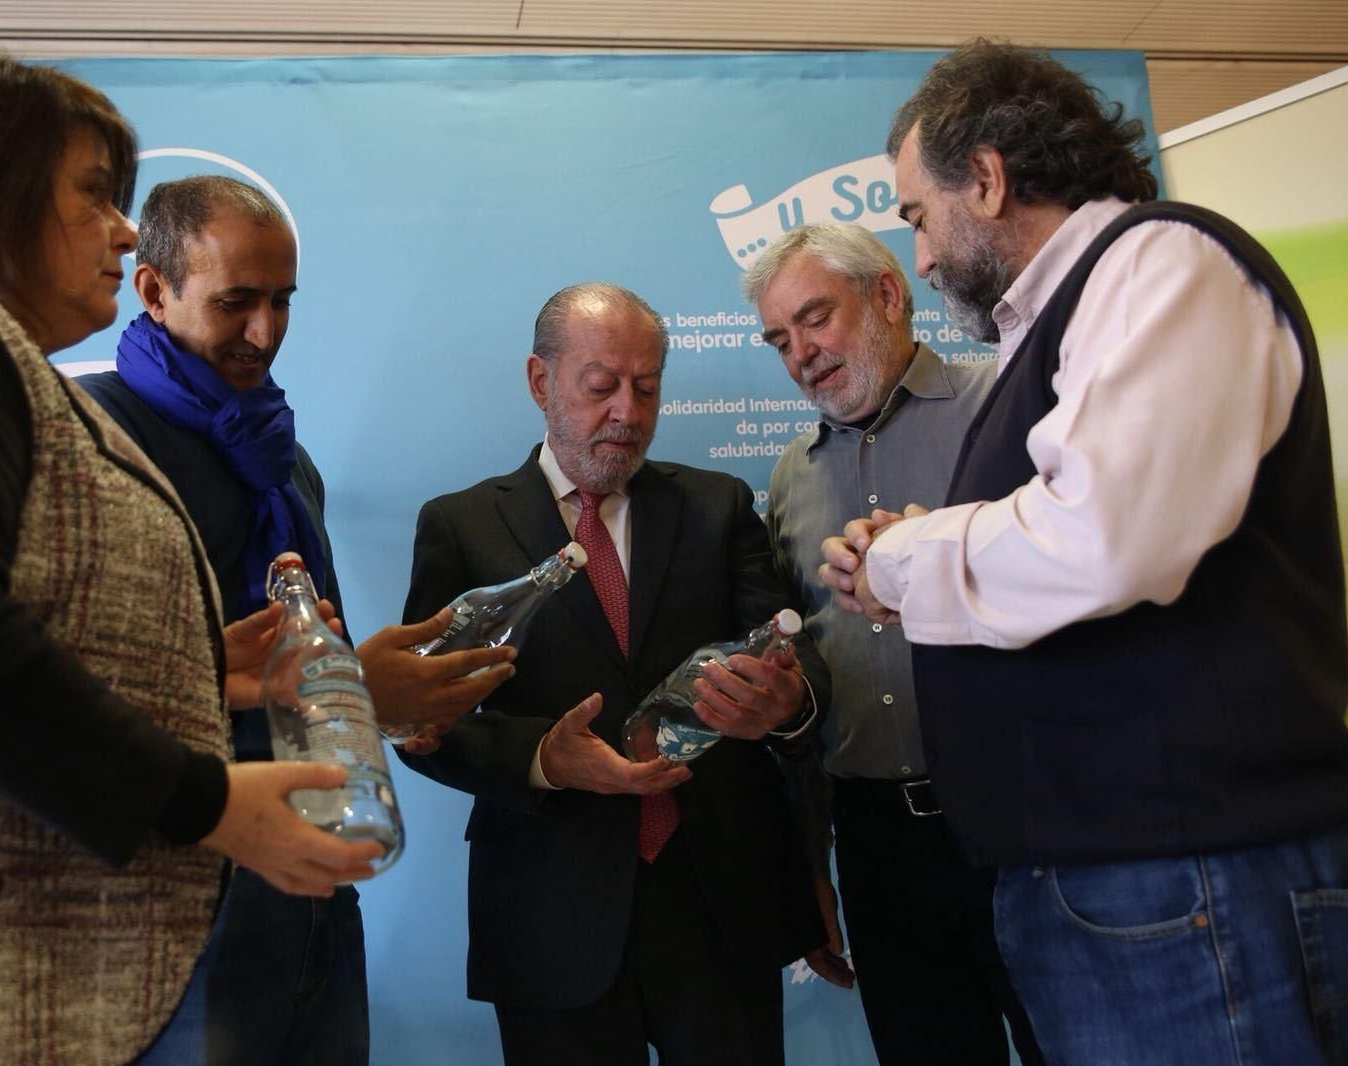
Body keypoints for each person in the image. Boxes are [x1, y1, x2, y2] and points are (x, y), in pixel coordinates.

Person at [0, 44, 382, 1063]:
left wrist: (195, 673)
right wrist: (208, 797)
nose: (124, 226)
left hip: (7, 956)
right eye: (93, 193)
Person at [819, 40, 1348, 1064]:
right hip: (1123, 883)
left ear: (986, 176)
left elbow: (1103, 535)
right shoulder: (1061, 318)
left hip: (1190, 882)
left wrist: (900, 560)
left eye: (917, 218)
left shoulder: (1163, 261)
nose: (918, 260)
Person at [77, 175, 515, 1064]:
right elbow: (59, 697)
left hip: (318, 886)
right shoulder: (89, 443)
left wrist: (383, 701)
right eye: (237, 302)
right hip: (178, 902)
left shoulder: (288, 460)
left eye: (282, 302)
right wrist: (348, 680)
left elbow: (313, 671)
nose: (265, 334)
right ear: (153, 289)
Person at [400, 282, 825, 1066]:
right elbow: (425, 725)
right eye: (601, 387)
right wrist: (541, 759)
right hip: (549, 915)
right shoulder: (459, 526)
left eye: (648, 387)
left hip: (719, 905)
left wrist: (786, 703)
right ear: (541, 382)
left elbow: (802, 675)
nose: (627, 412)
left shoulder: (718, 505)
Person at [747, 221, 1042, 1064]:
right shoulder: (791, 478)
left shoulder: (1006, 407)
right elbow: (800, 687)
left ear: (887, 294)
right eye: (780, 340)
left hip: (1023, 822)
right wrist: (811, 861)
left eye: (815, 318)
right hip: (877, 844)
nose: (800, 352)